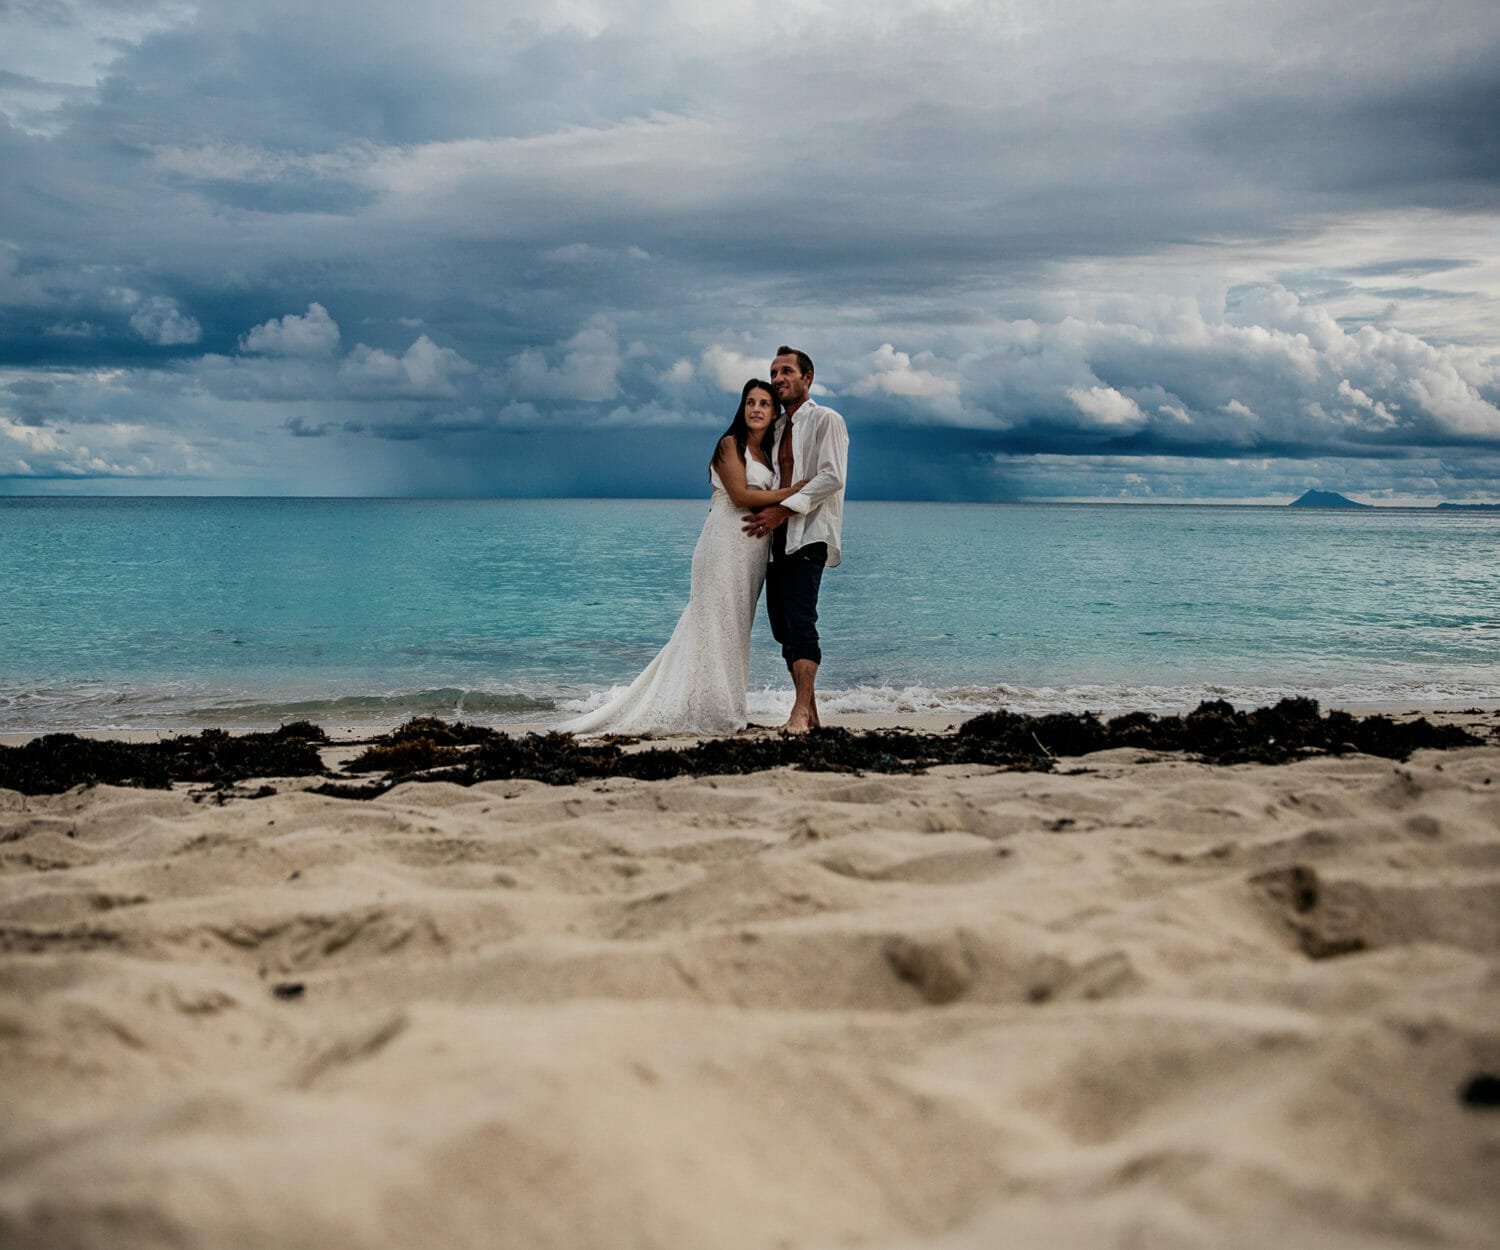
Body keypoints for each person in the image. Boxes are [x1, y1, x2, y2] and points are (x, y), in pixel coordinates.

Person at [561, 379, 808, 735]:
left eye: (765, 404)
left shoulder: (766, 456)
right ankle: (714, 714)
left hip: (752, 555)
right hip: (723, 545)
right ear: (742, 409)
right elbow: (739, 496)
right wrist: (792, 493)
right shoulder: (730, 445)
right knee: (711, 625)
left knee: (735, 631)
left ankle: (726, 709)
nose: (756, 409)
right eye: (750, 402)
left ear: (774, 414)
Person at [742, 346, 849, 733]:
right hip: (775, 541)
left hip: (809, 535)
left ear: (808, 378)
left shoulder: (826, 420)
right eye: (773, 372)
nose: (777, 379)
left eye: (786, 371)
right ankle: (812, 714)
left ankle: (799, 712)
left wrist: (784, 509)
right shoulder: (776, 429)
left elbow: (832, 476)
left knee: (801, 623)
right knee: (782, 628)